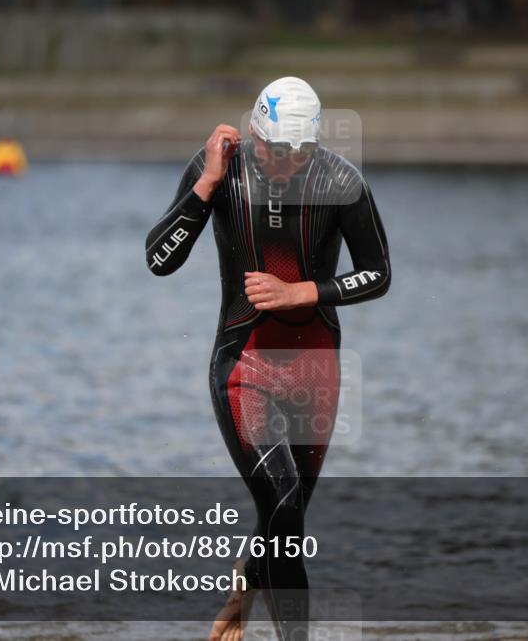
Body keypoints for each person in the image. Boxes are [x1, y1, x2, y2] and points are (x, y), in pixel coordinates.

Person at [146, 76, 391, 641]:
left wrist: (305, 291)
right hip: (243, 363)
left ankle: (247, 582)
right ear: (254, 133)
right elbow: (159, 261)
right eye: (272, 148)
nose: (282, 161)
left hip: (315, 369)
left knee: (289, 516)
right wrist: (206, 184)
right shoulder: (219, 169)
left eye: (296, 153)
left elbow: (379, 273)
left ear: (313, 146)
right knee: (281, 503)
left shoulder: (340, 182)